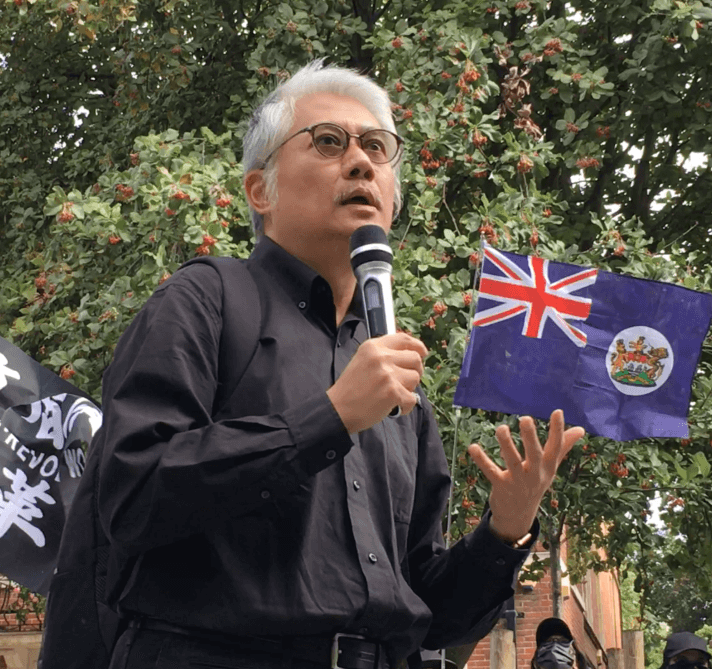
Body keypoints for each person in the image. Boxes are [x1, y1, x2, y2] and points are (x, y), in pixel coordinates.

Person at [94, 59, 585, 669]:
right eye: (329, 141)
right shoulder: (206, 299)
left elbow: (429, 608)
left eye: (378, 149)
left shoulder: (398, 380)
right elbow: (132, 495)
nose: (361, 162)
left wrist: (504, 532)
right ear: (260, 190)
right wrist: (328, 418)